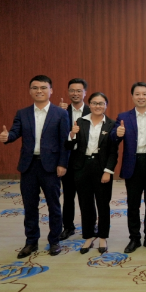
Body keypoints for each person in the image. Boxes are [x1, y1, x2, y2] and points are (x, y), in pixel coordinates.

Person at [0, 75, 70, 258]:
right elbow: (14, 132)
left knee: (54, 205)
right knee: (30, 206)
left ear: (51, 90)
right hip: (28, 166)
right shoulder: (22, 113)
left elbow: (65, 142)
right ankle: (31, 241)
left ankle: (54, 241)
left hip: (51, 166)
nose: (39, 91)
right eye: (35, 88)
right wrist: (7, 137)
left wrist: (63, 163)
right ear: (30, 91)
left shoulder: (60, 113)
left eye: (43, 87)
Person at [111, 82, 146, 253]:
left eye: (144, 94)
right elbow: (113, 138)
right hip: (133, 164)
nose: (141, 97)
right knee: (133, 204)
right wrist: (117, 134)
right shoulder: (123, 117)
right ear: (132, 96)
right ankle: (134, 238)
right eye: (137, 94)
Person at [66, 92, 117, 254]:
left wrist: (108, 171)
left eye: (101, 103)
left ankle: (102, 236)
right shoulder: (80, 122)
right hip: (82, 167)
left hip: (102, 168)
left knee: (103, 203)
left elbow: (113, 152)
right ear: (89, 105)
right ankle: (88, 236)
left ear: (106, 105)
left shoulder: (111, 124)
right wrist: (72, 134)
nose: (97, 106)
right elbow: (69, 147)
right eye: (94, 103)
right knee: (85, 203)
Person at [58, 78, 92, 241]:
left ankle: (90, 226)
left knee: (88, 197)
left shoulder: (93, 110)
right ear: (68, 92)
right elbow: (58, 137)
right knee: (68, 196)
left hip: (87, 161)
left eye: (79, 91)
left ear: (85, 93)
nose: (75, 93)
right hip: (69, 160)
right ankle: (68, 227)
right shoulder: (61, 111)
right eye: (72, 90)